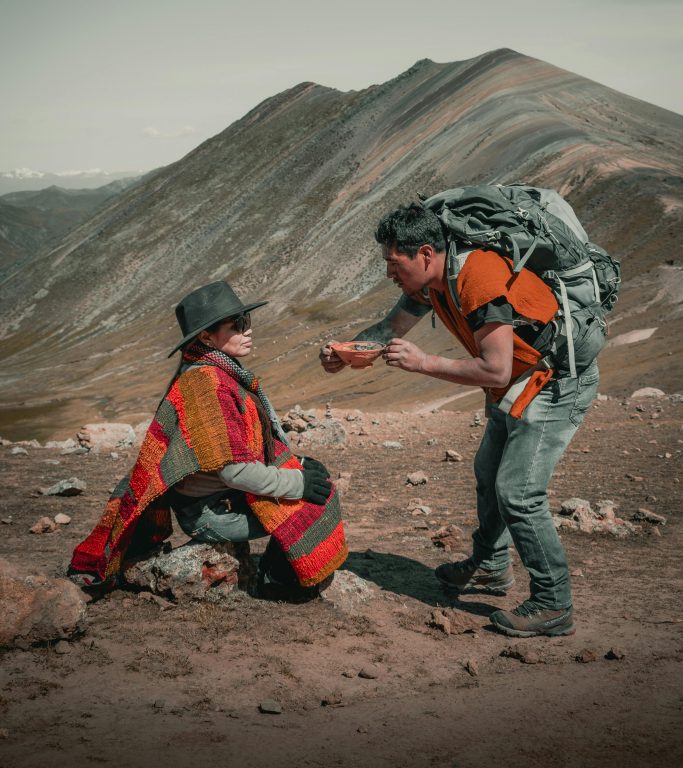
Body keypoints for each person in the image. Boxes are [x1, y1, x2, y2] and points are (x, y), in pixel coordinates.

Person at [320, 204, 599, 637]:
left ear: (426, 254)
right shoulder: (430, 283)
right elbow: (390, 326)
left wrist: (423, 363)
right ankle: (490, 566)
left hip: (554, 379)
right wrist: (344, 350)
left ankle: (553, 602)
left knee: (518, 492)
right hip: (520, 379)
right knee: (488, 472)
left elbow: (495, 370)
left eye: (394, 264)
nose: (389, 273)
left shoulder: (477, 278)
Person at [70, 280, 348, 602]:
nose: (248, 331)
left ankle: (278, 568)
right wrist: (297, 483)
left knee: (311, 471)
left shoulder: (217, 372)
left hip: (223, 497)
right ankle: (279, 581)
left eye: (247, 322)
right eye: (237, 325)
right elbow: (235, 472)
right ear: (205, 337)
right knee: (316, 496)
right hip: (213, 514)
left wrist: (298, 472)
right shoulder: (206, 384)